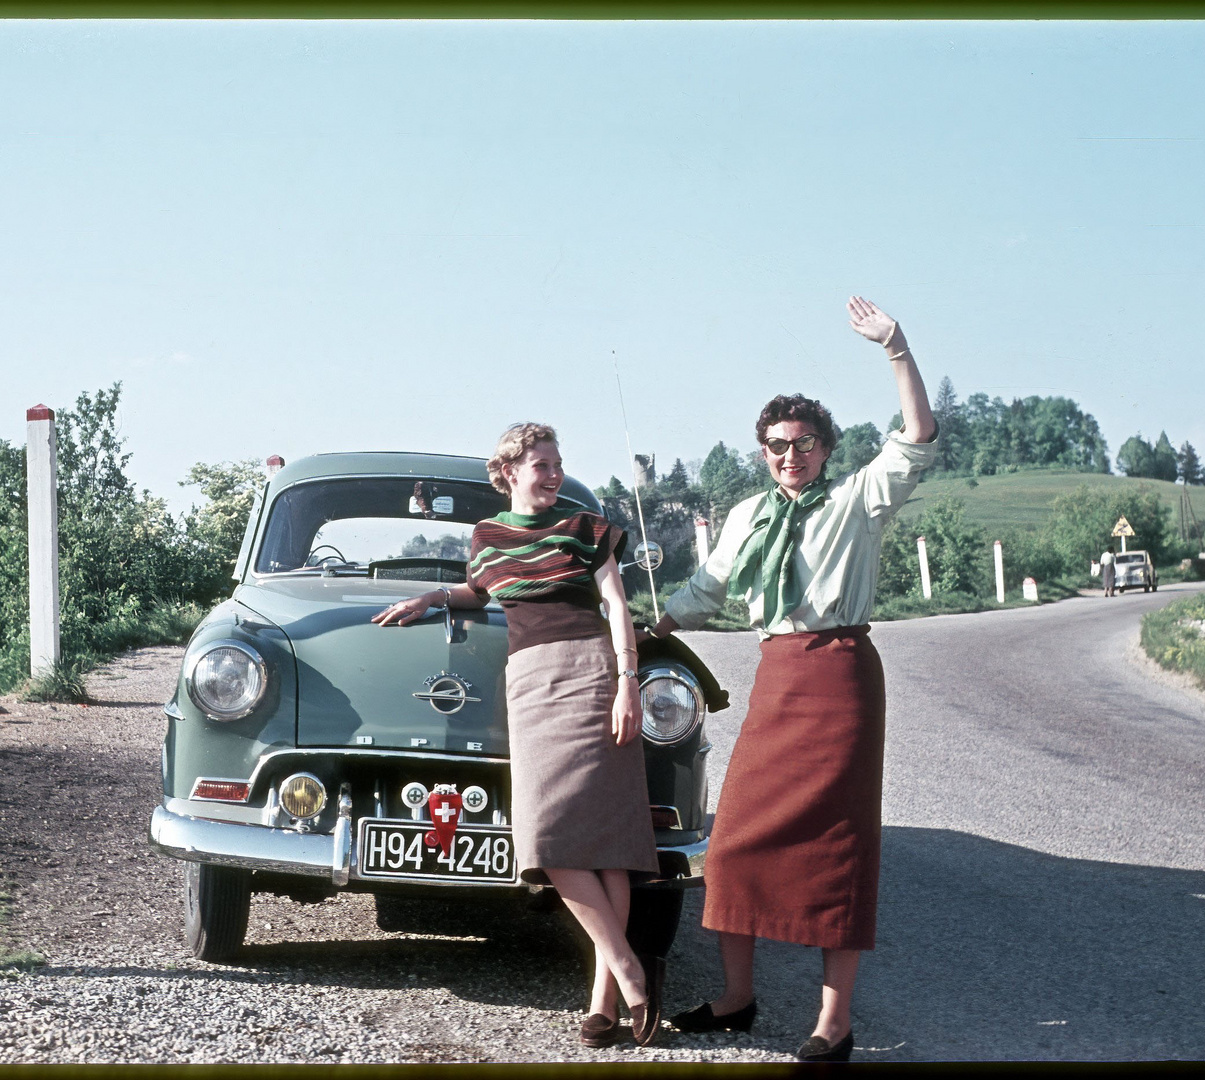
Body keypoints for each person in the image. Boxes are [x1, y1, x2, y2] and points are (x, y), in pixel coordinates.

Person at [648, 296, 938, 1063]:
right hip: (779, 678)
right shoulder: (745, 516)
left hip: (840, 678)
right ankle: (738, 998)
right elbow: (704, 591)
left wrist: (896, 349)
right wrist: (654, 630)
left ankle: (833, 1024)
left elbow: (916, 439)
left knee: (837, 849)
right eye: (777, 444)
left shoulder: (854, 502)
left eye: (804, 443)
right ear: (763, 450)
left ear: (825, 449)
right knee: (737, 843)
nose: (790, 455)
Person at [372, 423, 666, 1049]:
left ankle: (607, 1000)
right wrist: (430, 596)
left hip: (594, 673)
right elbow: (477, 592)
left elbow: (616, 603)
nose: (554, 473)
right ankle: (631, 964)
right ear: (508, 471)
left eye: (558, 462)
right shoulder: (487, 539)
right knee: (550, 839)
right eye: (541, 464)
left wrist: (626, 682)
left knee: (608, 840)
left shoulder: (585, 526)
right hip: (531, 684)